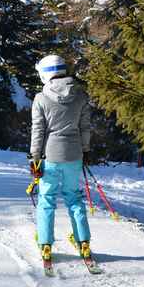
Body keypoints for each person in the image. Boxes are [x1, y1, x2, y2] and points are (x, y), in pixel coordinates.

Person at [30, 54, 93, 266]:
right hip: (74, 154)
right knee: (74, 198)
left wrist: (35, 158)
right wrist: (86, 150)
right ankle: (83, 241)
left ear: (45, 73)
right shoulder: (81, 95)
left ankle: (46, 244)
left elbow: (38, 131)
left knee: (46, 199)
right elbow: (85, 127)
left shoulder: (41, 98)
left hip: (50, 156)